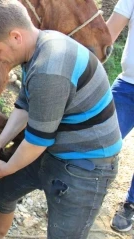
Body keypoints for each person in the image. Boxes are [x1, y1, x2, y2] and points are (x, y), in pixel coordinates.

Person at [0, 0, 122, 238]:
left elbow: (38, 140)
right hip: (51, 149)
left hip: (86, 164)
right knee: (5, 190)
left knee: (63, 233)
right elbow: (24, 107)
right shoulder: (37, 46)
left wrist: (6, 168)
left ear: (15, 37)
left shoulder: (50, 67)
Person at [106, 0, 134, 232]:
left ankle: (130, 204)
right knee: (100, 142)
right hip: (127, 86)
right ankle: (76, 194)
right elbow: (107, 35)